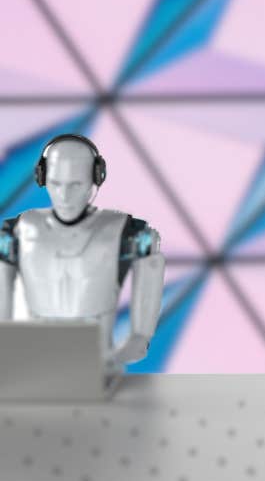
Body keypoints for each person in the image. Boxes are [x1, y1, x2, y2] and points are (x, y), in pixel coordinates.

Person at [0, 134, 165, 369]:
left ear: (95, 178)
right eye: (56, 184)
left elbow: (150, 268)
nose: (65, 196)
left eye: (75, 184)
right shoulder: (18, 231)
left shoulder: (126, 232)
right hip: (35, 360)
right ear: (43, 178)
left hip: (100, 360)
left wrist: (138, 338)